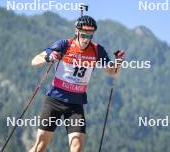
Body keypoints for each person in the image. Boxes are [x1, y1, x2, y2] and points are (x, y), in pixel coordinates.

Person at [29, 15, 124, 152]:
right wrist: (48, 57)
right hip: (54, 101)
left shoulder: (97, 50)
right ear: (77, 32)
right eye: (84, 35)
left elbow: (112, 71)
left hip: (75, 105)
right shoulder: (64, 45)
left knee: (77, 147)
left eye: (90, 36)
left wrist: (118, 61)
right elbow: (34, 60)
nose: (86, 39)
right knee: (40, 147)